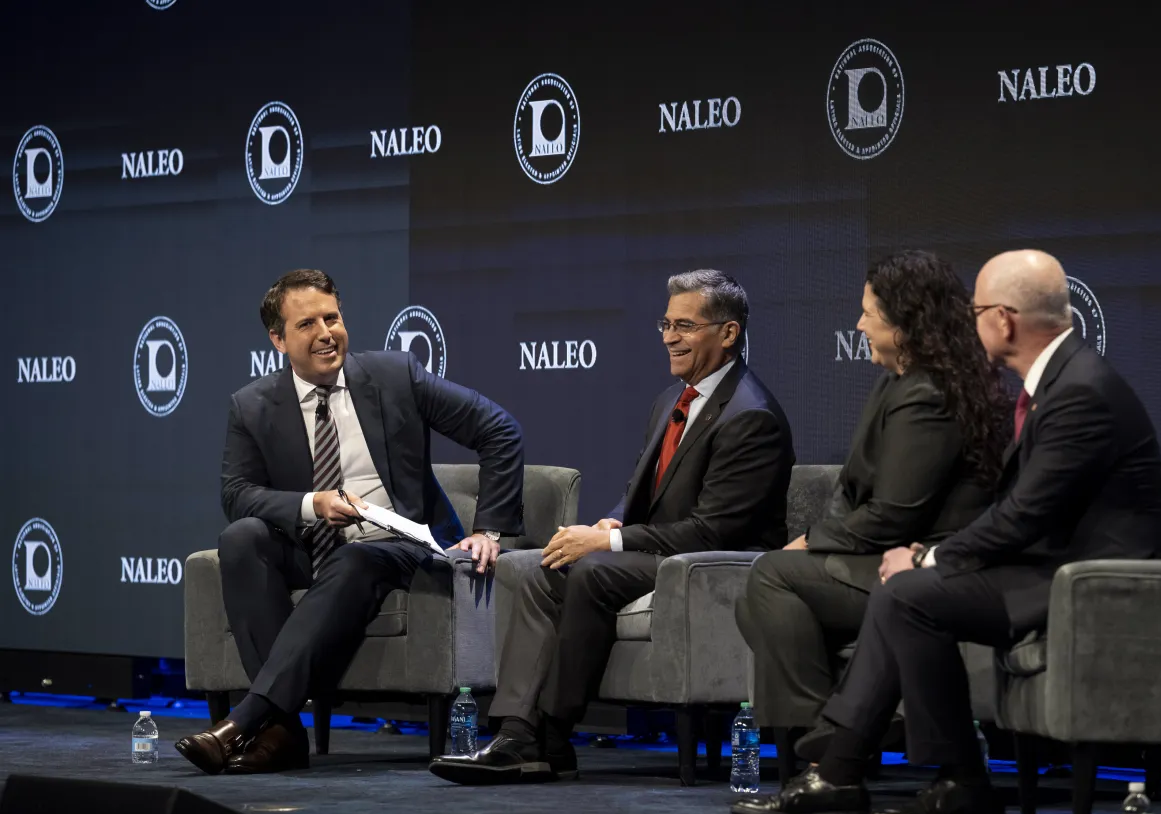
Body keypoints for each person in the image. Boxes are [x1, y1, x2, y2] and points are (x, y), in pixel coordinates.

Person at [731, 249, 1161, 814]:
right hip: (1054, 569)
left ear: (1005, 319)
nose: (969, 321)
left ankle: (887, 773)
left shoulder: (1079, 393)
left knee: (911, 592)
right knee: (909, 593)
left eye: (978, 310)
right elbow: (1022, 512)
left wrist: (929, 555)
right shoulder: (1062, 380)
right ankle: (883, 774)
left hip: (1097, 586)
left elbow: (1023, 514)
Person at [429, 269, 795, 785]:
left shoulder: (751, 416)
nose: (670, 337)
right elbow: (642, 487)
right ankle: (517, 734)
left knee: (593, 571)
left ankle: (554, 732)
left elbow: (714, 531)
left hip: (711, 567)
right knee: (535, 567)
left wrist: (609, 540)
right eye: (666, 324)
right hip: (655, 552)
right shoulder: (672, 400)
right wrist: (616, 519)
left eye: (686, 326)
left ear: (728, 333)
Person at [175, 269, 525, 775]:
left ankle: (246, 720)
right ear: (278, 339)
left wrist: (489, 528)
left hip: (401, 547)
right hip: (312, 548)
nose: (325, 333)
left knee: (358, 556)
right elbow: (237, 494)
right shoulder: (252, 406)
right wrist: (311, 504)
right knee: (241, 538)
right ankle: (284, 735)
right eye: (306, 325)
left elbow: (499, 429)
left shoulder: (394, 376)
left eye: (332, 318)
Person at [734, 250, 1008, 773]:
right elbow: (852, 491)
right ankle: (840, 740)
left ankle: (831, 751)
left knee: (770, 577)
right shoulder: (897, 381)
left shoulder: (929, 393)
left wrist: (813, 540)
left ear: (906, 325)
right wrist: (821, 535)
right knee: (760, 599)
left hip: (919, 564)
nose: (858, 324)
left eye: (869, 313)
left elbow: (895, 515)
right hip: (879, 556)